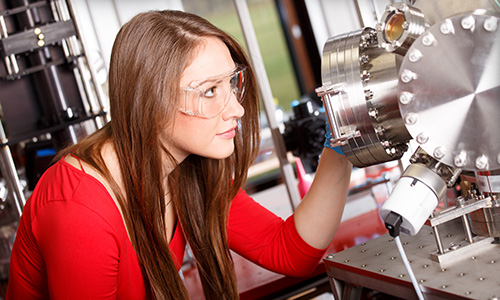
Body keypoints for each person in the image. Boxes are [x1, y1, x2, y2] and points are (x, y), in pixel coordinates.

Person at [6, 10, 352, 300]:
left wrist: (346, 144)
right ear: (152, 102)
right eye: (210, 91)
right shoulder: (80, 209)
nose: (237, 109)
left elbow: (289, 251)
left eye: (232, 84)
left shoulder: (183, 168)